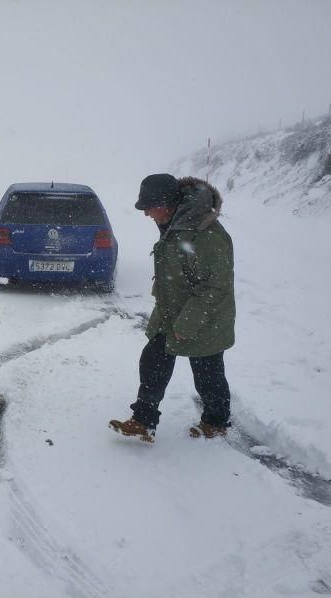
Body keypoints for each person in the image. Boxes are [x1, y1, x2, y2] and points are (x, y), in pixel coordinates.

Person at [109, 173, 235, 443]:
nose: (146, 215)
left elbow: (215, 287)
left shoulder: (206, 234)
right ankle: (143, 421)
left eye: (149, 208)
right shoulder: (176, 225)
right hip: (170, 313)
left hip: (204, 318)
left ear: (167, 203)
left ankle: (216, 421)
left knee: (208, 374)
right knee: (152, 363)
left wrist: (186, 323)